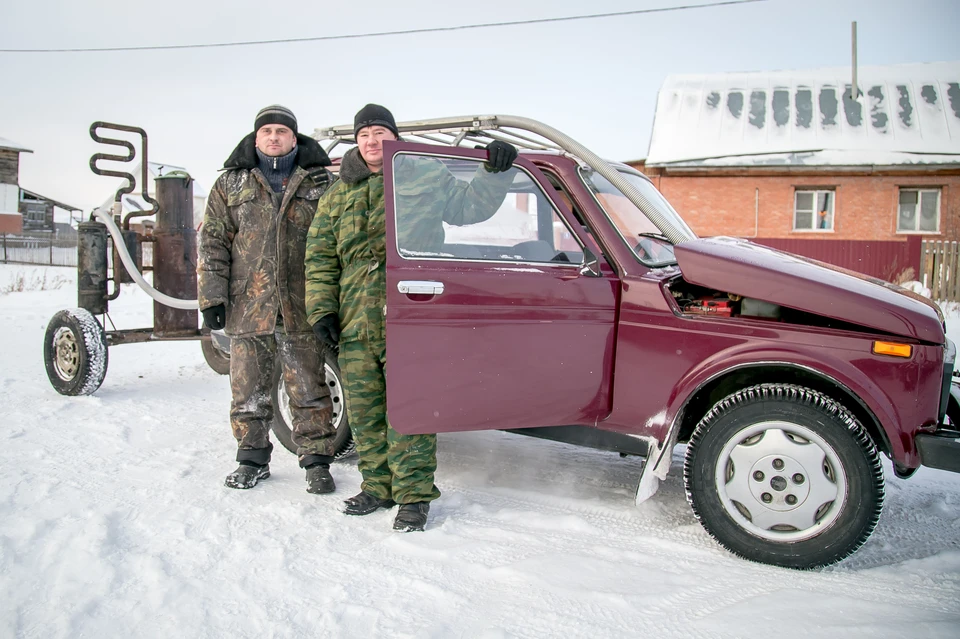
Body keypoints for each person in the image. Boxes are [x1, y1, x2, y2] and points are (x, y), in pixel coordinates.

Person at [304, 104, 518, 532]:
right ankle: (378, 487)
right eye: (363, 134)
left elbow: (467, 208)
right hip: (356, 319)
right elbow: (320, 256)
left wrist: (495, 172)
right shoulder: (338, 192)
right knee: (365, 411)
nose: (370, 141)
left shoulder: (423, 174)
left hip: (411, 311)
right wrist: (323, 310)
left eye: (379, 132)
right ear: (356, 140)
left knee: (411, 408)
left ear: (394, 137)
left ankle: (413, 496)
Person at [198, 104, 340, 493]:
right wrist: (211, 297)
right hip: (249, 303)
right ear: (255, 138)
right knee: (248, 389)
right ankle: (252, 459)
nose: (274, 138)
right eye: (267, 132)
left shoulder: (320, 183)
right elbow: (212, 242)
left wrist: (333, 301)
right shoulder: (231, 184)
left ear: (295, 138)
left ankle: (316, 462)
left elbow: (336, 244)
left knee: (309, 387)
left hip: (303, 303)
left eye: (281, 131)